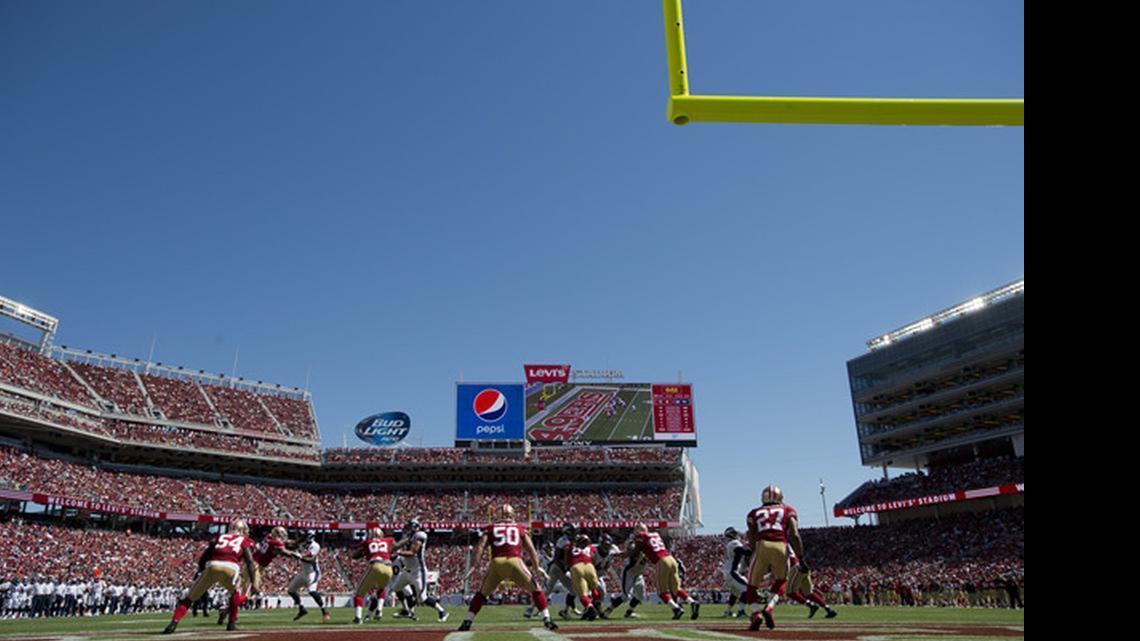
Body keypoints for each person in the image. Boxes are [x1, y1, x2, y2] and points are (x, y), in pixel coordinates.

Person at [456, 504, 558, 632]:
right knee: (536, 590)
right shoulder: (520, 528)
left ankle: (468, 620)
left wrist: (473, 566)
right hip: (514, 561)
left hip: (496, 563)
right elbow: (531, 549)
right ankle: (547, 619)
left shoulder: (491, 528)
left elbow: (481, 546)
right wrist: (537, 567)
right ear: (512, 514)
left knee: (481, 594)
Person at [163, 519, 258, 634]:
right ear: (243, 530)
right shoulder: (245, 540)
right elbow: (250, 562)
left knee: (189, 598)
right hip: (231, 567)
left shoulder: (219, 537)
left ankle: (173, 623)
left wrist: (201, 571)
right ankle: (231, 623)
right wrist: (254, 582)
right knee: (236, 594)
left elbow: (204, 557)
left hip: (212, 566)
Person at [743, 484, 805, 631]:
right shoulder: (788, 510)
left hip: (762, 546)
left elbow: (751, 535)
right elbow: (795, 534)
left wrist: (752, 552)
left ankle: (756, 613)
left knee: (752, 585)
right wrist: (801, 557)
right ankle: (769, 608)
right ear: (780, 497)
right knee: (781, 580)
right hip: (781, 547)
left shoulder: (754, 513)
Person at [631, 524, 698, 620]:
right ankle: (692, 602)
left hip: (661, 561)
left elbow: (636, 550)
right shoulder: (655, 534)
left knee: (661, 591)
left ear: (638, 530)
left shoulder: (641, 536)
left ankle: (676, 608)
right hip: (671, 559)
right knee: (676, 589)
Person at [350, 527, 396, 624]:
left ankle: (358, 618)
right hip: (389, 568)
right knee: (381, 588)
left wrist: (364, 552)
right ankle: (379, 610)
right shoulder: (389, 540)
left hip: (376, 565)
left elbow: (354, 556)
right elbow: (394, 547)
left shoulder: (367, 542)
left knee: (358, 594)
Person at [287, 530, 330, 622]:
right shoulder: (302, 543)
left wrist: (300, 556)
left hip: (313, 573)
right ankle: (301, 608)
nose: (302, 538)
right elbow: (291, 546)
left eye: (304, 536)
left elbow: (310, 559)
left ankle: (325, 612)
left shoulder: (315, 546)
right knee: (290, 590)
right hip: (303, 572)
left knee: (312, 591)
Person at [720, 527, 751, 618]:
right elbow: (741, 551)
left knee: (735, 593)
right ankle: (741, 611)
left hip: (729, 571)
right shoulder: (734, 543)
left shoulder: (729, 544)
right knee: (747, 589)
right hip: (732, 572)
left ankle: (727, 611)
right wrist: (753, 550)